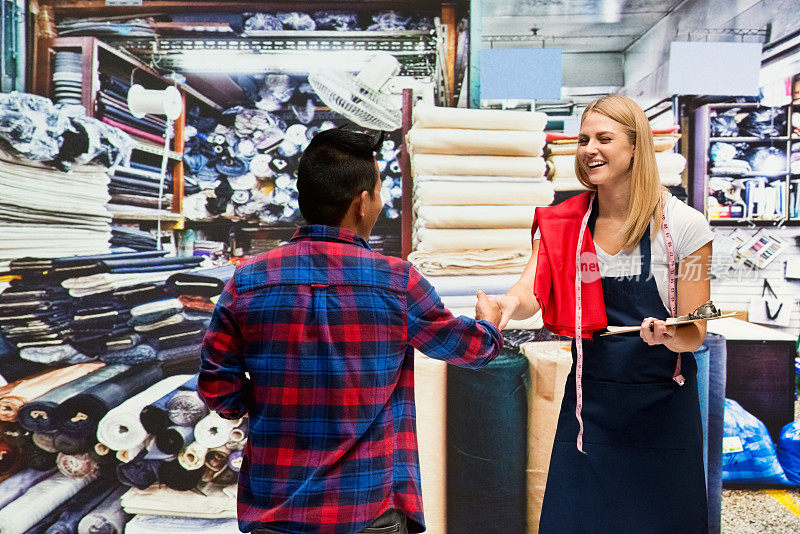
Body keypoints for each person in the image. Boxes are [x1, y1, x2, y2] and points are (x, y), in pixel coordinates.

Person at [198, 127, 504, 534]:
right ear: (362, 203)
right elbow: (472, 350)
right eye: (378, 191)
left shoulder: (248, 281)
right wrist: (489, 322)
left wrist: (276, 402)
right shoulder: (397, 282)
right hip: (368, 508)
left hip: (275, 508)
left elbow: (220, 390)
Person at [490, 94, 713, 533]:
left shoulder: (686, 227)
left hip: (663, 410)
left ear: (635, 146)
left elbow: (696, 329)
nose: (590, 148)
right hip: (590, 406)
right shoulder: (565, 224)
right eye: (584, 139)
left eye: (604, 138)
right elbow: (532, 288)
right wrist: (506, 306)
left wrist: (669, 335)